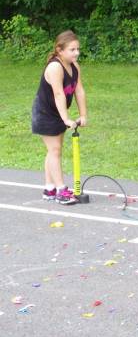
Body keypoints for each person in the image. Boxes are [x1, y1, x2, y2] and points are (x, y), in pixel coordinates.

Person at [31, 30, 87, 205]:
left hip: (57, 113)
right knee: (55, 150)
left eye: (77, 49)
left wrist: (83, 114)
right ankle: (61, 190)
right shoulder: (55, 67)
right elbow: (58, 94)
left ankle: (49, 188)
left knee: (54, 150)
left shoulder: (75, 66)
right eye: (72, 49)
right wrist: (65, 119)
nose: (76, 53)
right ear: (59, 50)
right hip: (45, 113)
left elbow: (79, 90)